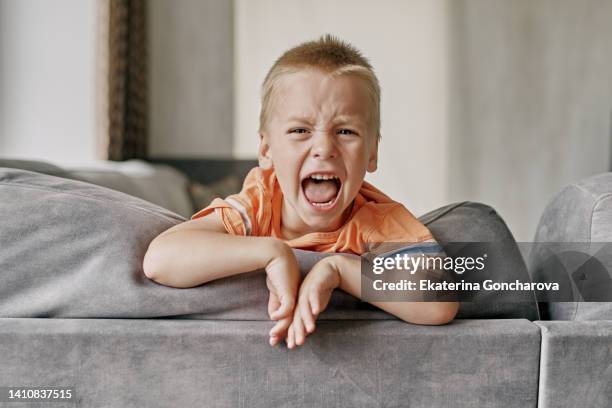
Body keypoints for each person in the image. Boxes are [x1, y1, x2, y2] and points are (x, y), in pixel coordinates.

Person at [143, 34, 458, 349]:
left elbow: (439, 301)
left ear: (372, 153)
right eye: (300, 131)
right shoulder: (259, 204)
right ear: (266, 150)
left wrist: (338, 269)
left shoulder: (375, 219)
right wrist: (272, 252)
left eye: (345, 131)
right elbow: (160, 260)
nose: (323, 148)